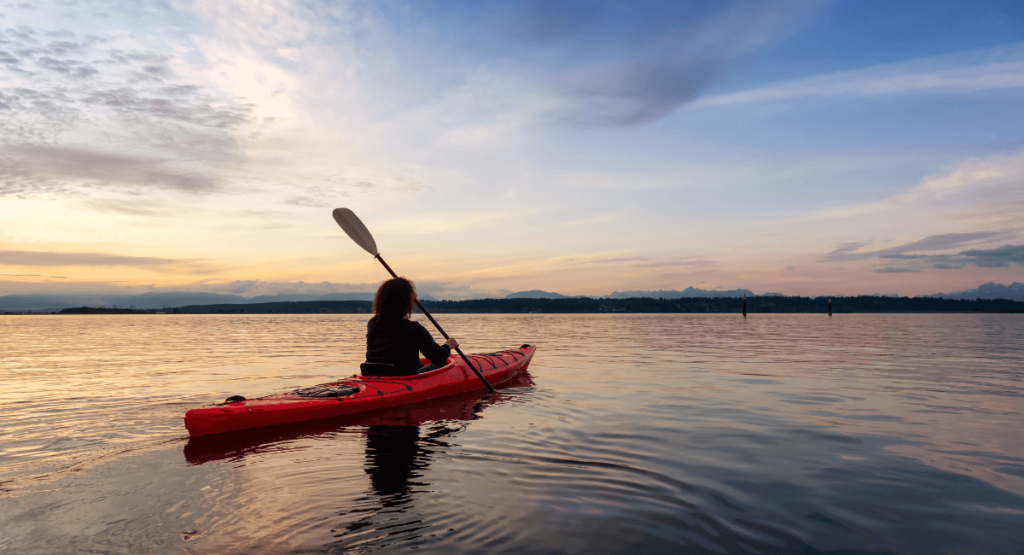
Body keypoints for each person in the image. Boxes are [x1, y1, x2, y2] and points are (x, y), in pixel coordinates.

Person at [361, 277, 459, 377]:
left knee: (419, 365)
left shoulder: (372, 323)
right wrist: (447, 346)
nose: (414, 298)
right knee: (443, 364)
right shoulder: (414, 329)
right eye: (411, 297)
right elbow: (438, 357)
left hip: (371, 373)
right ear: (404, 302)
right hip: (402, 377)